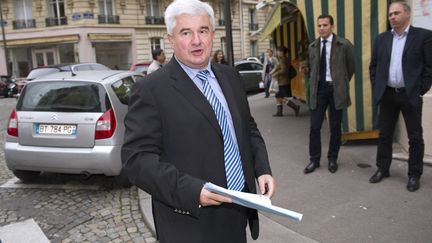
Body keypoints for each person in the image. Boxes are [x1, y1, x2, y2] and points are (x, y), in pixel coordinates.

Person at [121, 0, 275, 242]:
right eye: (186, 32)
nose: (196, 40)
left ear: (213, 34)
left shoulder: (230, 76)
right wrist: (193, 191)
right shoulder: (151, 89)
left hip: (238, 213)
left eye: (203, 30)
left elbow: (247, 128)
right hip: (189, 223)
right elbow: (137, 160)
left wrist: (261, 169)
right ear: (170, 39)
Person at [368, 0, 432, 192]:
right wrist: (378, 86)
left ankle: (414, 174)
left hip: (410, 94)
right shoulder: (381, 39)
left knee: (415, 137)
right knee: (385, 134)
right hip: (388, 94)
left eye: (396, 13)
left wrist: (420, 89)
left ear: (407, 14)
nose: (392, 17)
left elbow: (429, 67)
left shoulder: (423, 37)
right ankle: (382, 168)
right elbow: (374, 67)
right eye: (390, 15)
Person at [303, 14, 355, 174]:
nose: (321, 28)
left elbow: (350, 67)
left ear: (332, 26)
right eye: (319, 26)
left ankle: (333, 159)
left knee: (335, 127)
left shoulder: (344, 44)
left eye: (325, 25)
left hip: (336, 90)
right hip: (318, 91)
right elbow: (310, 68)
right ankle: (314, 160)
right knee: (315, 127)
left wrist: (340, 82)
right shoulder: (312, 46)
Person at [270, 46, 299, 117]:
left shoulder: (283, 60)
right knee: (278, 96)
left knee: (280, 97)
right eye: (277, 51)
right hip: (283, 81)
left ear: (283, 53)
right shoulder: (285, 59)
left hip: (282, 81)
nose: (277, 52)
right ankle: (279, 112)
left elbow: (284, 70)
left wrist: (275, 74)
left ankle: (295, 107)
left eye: (279, 51)